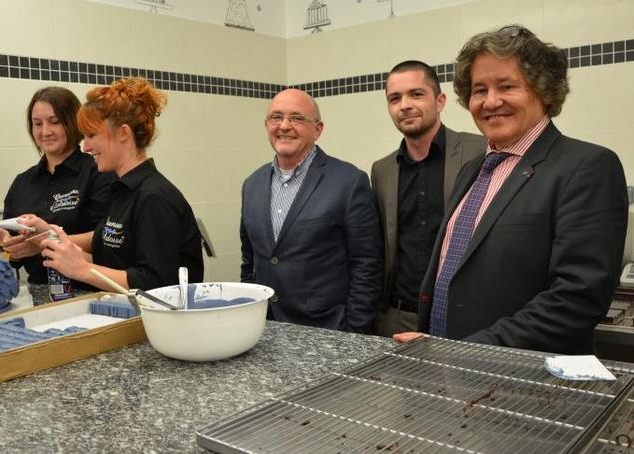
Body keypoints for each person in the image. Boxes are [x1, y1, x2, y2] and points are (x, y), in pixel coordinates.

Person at [394, 25, 628, 354]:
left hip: (524, 387)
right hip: (448, 372)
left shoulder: (587, 167)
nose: (491, 101)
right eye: (479, 90)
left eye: (507, 86)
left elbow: (578, 298)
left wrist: (467, 352)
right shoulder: (472, 169)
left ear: (544, 91)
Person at [12, 78, 204, 291]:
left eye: (92, 135)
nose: (85, 147)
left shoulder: (154, 197)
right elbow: (108, 255)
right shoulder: (123, 192)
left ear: (123, 133)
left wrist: (82, 269)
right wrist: (48, 237)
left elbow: (157, 283)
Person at [240, 88, 382, 333]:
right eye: (276, 117)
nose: (284, 125)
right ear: (266, 125)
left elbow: (367, 264)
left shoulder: (348, 182)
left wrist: (354, 333)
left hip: (328, 330)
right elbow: (249, 261)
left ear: (318, 129)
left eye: (296, 118)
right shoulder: (251, 184)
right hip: (265, 329)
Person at [370, 60, 485, 337]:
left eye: (416, 94)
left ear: (440, 100)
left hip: (461, 316)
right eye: (394, 98)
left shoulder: (479, 151)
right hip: (398, 319)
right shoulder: (382, 170)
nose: (405, 105)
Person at [0, 87, 114, 286]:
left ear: (72, 122)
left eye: (55, 122)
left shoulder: (99, 172)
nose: (45, 132)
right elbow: (9, 259)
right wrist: (8, 249)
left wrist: (46, 242)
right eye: (37, 124)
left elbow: (109, 237)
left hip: (91, 290)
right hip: (39, 293)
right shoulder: (22, 183)